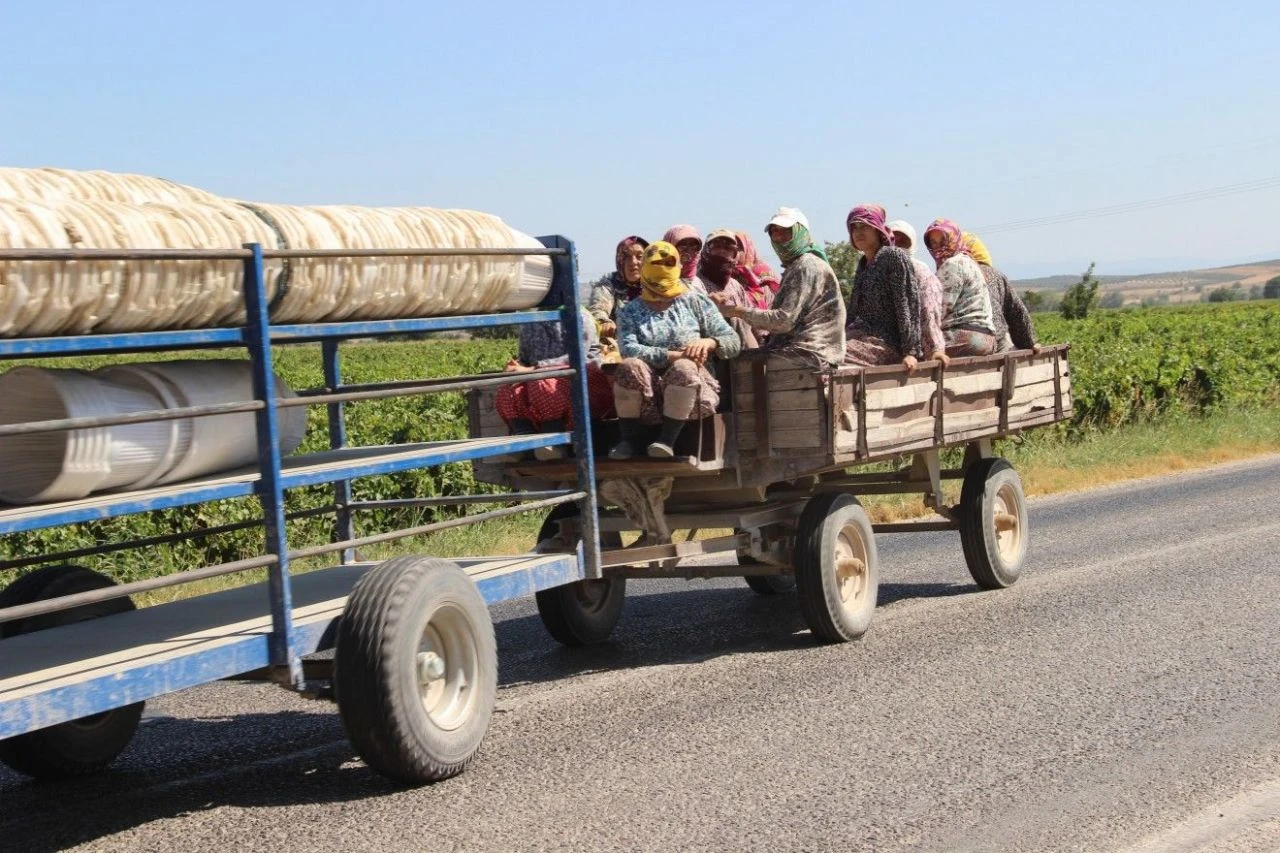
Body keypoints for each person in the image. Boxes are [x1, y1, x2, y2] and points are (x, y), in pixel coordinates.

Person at [611, 241, 742, 459]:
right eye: (655, 262)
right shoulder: (630, 311)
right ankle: (629, 442)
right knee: (629, 365)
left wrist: (709, 342)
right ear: (645, 267)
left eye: (668, 262)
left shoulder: (694, 302)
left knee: (684, 367)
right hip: (649, 392)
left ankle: (666, 441)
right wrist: (671, 355)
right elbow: (628, 348)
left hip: (693, 389)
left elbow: (732, 341)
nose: (662, 266)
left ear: (678, 265)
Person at [711, 207, 845, 369]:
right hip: (803, 347)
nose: (779, 237)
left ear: (800, 232)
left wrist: (735, 311)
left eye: (786, 231)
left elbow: (783, 321)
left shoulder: (806, 265)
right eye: (774, 232)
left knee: (731, 365)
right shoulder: (797, 265)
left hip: (809, 350)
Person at [494, 308, 615, 460]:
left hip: (582, 377)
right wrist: (516, 367)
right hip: (538, 378)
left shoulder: (580, 317)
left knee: (541, 381)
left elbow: (577, 356)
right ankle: (524, 442)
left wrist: (534, 368)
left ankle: (554, 443)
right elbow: (525, 357)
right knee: (507, 388)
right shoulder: (530, 321)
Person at [842, 204, 921, 367]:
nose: (858, 232)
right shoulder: (863, 263)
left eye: (864, 226)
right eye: (854, 227)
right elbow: (853, 312)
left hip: (885, 341)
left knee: (833, 355)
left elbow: (906, 304)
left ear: (878, 229)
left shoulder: (893, 256)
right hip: (861, 337)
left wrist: (911, 352)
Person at [923, 218, 998, 357]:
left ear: (954, 239)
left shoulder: (952, 265)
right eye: (933, 242)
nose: (939, 247)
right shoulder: (969, 261)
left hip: (964, 336)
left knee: (914, 351)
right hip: (986, 338)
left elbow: (938, 309)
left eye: (943, 240)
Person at [962, 231, 1039, 352]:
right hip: (994, 342)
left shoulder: (946, 275)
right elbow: (1017, 312)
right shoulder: (995, 275)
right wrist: (1029, 343)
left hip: (954, 345)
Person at [887, 219, 947, 364]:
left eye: (903, 240)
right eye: (893, 240)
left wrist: (934, 350)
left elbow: (929, 310)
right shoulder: (879, 268)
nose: (897, 245)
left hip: (911, 347)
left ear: (912, 243)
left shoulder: (919, 270)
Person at [698, 229, 758, 349]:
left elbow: (752, 322)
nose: (722, 251)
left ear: (735, 254)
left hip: (742, 354)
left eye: (728, 248)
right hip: (708, 349)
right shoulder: (696, 283)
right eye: (717, 246)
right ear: (706, 251)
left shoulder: (735, 286)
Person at [588, 236, 648, 351]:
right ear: (620, 260)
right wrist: (604, 322)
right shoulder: (608, 284)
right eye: (627, 257)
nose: (633, 262)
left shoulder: (656, 284)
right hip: (620, 345)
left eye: (639, 257)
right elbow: (598, 308)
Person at [732, 230, 781, 310]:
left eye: (739, 248)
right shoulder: (730, 274)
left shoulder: (762, 271)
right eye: (732, 248)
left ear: (747, 249)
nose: (735, 253)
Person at [662, 225, 708, 295]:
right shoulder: (659, 281)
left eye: (694, 246)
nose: (688, 251)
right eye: (682, 246)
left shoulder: (697, 282)